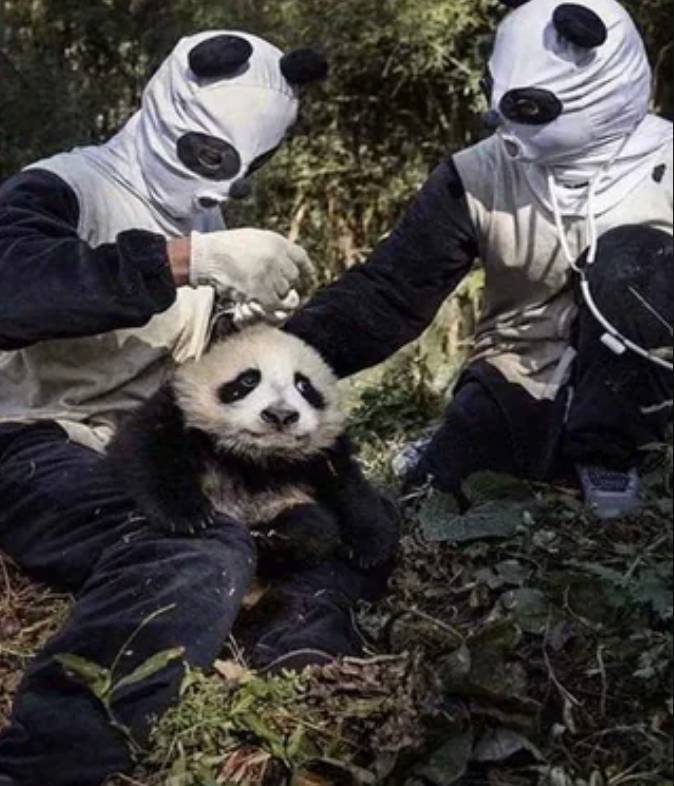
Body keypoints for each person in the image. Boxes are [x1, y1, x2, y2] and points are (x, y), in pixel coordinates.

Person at [0, 32, 397, 786]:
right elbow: (12, 287)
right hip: (32, 440)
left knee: (356, 516)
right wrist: (184, 262)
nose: (216, 188)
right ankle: (49, 760)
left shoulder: (207, 220)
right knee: (191, 547)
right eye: (208, 158)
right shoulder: (64, 187)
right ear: (164, 105)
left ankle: (298, 655)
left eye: (239, 174)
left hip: (153, 440)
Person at [286, 0, 673, 520]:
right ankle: (481, 437)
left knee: (632, 261)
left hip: (648, 384)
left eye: (528, 110)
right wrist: (280, 358)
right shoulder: (477, 173)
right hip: (525, 367)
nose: (506, 127)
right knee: (447, 484)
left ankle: (611, 457)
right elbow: (388, 293)